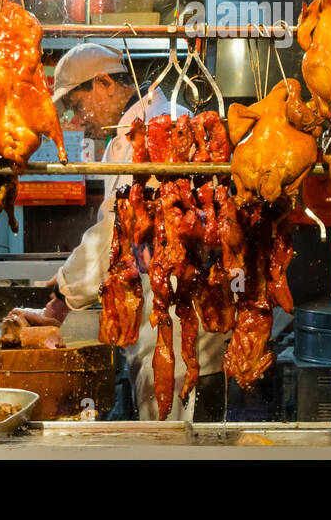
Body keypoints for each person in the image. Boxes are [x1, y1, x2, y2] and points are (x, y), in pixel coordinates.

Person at [40, 43, 227, 420]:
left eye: (78, 106)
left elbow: (115, 232)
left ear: (106, 83)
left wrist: (61, 299)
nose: (78, 121)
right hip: (165, 325)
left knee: (176, 442)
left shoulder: (152, 130)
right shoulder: (134, 131)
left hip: (179, 329)